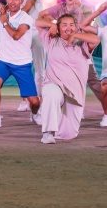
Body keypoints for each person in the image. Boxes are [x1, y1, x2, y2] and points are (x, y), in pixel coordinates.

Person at [38, 0, 107, 115]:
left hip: (80, 48)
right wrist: (52, 25)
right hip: (62, 48)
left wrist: (98, 11)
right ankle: (46, 107)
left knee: (91, 80)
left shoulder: (84, 9)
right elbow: (41, 16)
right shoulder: (60, 7)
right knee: (53, 79)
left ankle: (105, 105)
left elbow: (84, 27)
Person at [36, 14, 100, 143]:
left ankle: (56, 119)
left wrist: (75, 35)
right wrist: (52, 24)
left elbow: (96, 39)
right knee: (51, 93)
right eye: (64, 25)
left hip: (75, 92)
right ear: (59, 28)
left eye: (71, 25)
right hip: (54, 84)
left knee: (68, 134)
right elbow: (37, 22)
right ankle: (48, 133)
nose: (68, 28)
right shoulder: (51, 40)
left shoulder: (82, 44)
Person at [0, 0, 42, 128]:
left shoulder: (26, 18)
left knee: (34, 102)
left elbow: (16, 35)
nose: (13, 2)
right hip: (4, 61)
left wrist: (5, 22)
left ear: (22, 1)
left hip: (22, 63)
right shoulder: (2, 14)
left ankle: (35, 114)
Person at [18, 0, 45, 112]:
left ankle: (40, 100)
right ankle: (25, 100)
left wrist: (10, 17)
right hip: (23, 32)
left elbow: (26, 8)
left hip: (36, 32)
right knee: (21, 66)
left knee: (40, 69)